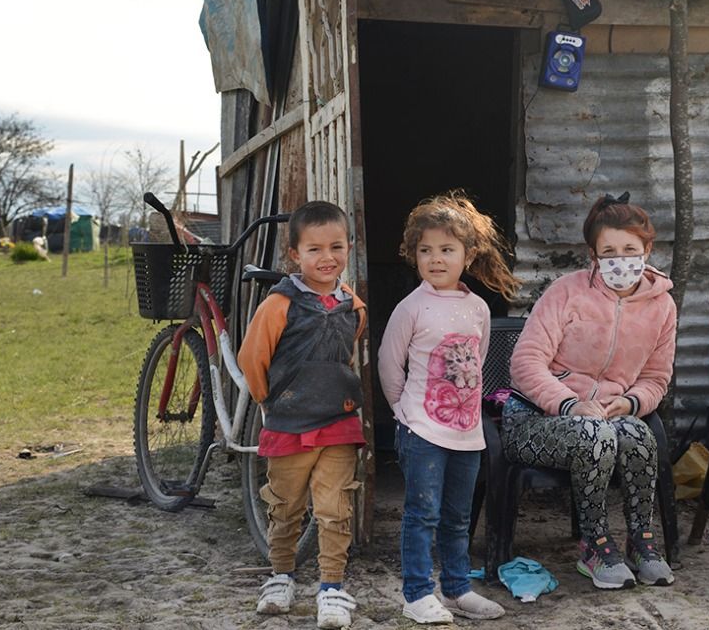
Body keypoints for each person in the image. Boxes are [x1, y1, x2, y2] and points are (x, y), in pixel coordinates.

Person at [505, 192, 677, 590]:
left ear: (647, 250)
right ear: (593, 255)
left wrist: (630, 402)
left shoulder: (662, 307)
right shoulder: (566, 292)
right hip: (535, 419)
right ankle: (595, 544)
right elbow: (526, 362)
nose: (621, 260)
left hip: (608, 418)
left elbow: (655, 378)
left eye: (630, 249)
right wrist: (569, 404)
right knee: (594, 435)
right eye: (610, 252)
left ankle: (641, 542)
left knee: (637, 433)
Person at [378, 192, 519, 624]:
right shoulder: (412, 307)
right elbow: (387, 361)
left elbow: (478, 360)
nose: (435, 259)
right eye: (425, 251)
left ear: (468, 254)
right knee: (423, 513)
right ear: (413, 255)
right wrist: (403, 411)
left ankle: (457, 589)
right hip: (421, 431)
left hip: (466, 432)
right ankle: (417, 593)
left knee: (457, 517)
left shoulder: (477, 308)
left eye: (446, 250)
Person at [237, 201, 366, 629]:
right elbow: (252, 357)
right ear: (294, 254)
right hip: (288, 423)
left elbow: (349, 351)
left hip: (338, 422)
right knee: (287, 505)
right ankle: (281, 575)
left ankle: (332, 586)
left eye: (336, 246)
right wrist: (269, 400)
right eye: (314, 249)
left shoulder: (353, 306)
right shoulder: (279, 305)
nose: (327, 257)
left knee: (334, 507)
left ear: (349, 247)